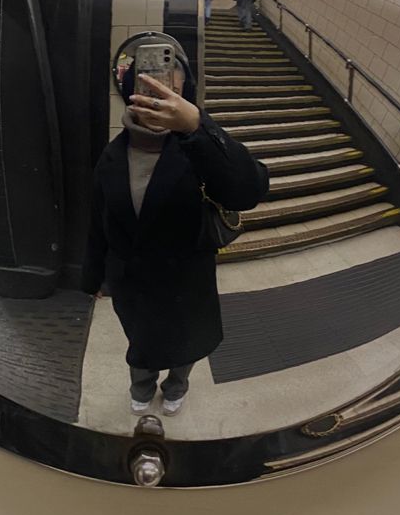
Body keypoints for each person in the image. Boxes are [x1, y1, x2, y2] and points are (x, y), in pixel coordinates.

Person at [81, 51, 268, 416]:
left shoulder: (197, 148)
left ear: (184, 90)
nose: (157, 88)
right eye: (145, 79)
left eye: (169, 81)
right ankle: (142, 386)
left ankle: (177, 385)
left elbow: (249, 191)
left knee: (187, 342)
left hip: (187, 277)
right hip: (131, 280)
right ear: (130, 87)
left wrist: (198, 126)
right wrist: (95, 276)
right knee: (141, 342)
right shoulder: (112, 155)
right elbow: (98, 220)